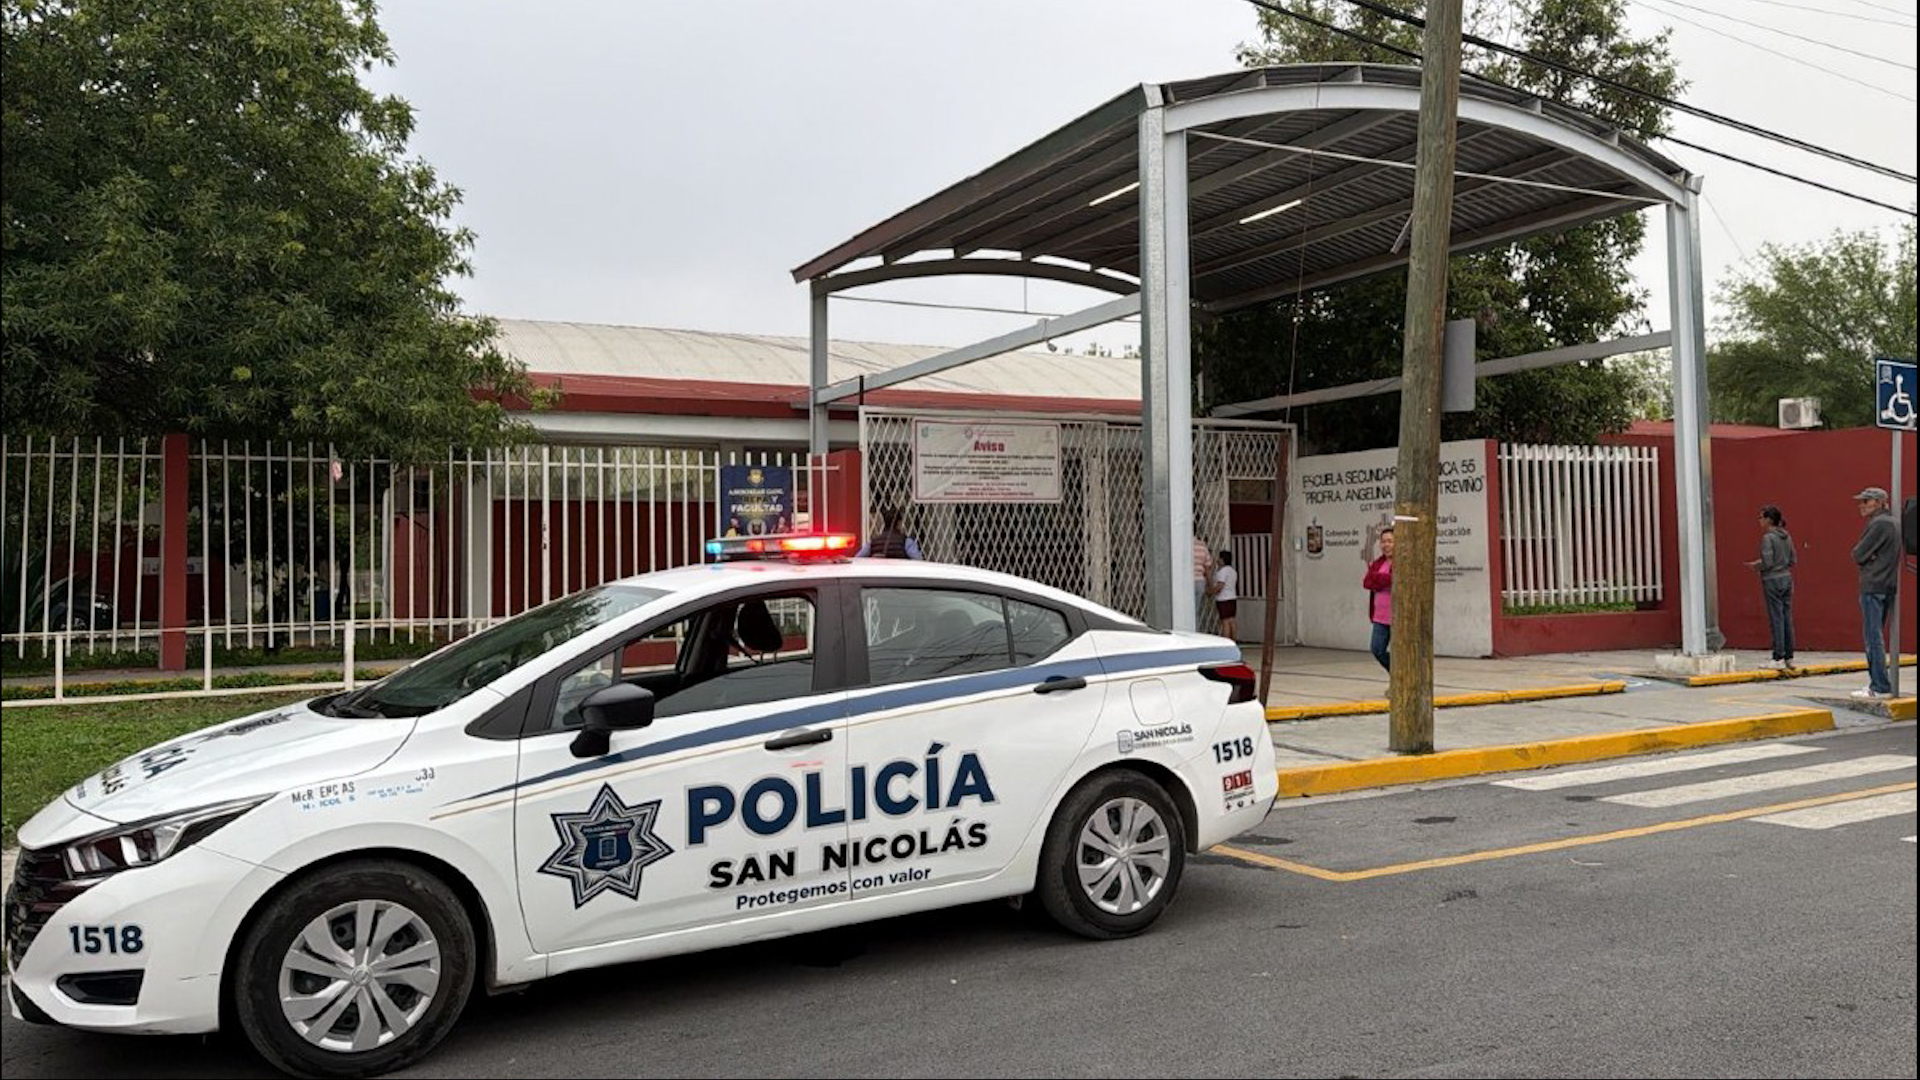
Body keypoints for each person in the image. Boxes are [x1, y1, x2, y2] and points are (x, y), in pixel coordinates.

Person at [1850, 486, 1900, 699]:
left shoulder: (1878, 523)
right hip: (1887, 584)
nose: (1861, 505)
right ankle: (1879, 683)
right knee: (1876, 634)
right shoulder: (1894, 522)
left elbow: (1858, 553)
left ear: (1880, 502)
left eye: (1866, 501)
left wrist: (1867, 558)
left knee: (1873, 636)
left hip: (1873, 585)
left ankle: (1879, 685)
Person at [1745, 504, 1796, 669]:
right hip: (1787, 577)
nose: (1759, 521)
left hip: (1772, 580)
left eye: (1761, 517)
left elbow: (1768, 561)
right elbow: (1793, 559)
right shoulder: (1786, 536)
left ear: (1768, 519)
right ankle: (1789, 656)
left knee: (1776, 617)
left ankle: (1778, 656)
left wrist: (1757, 566)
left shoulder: (1768, 538)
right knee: (1786, 616)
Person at [1361, 524, 1394, 672]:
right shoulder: (1378, 563)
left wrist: (1379, 580)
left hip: (1398, 617)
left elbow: (1397, 580)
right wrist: (1385, 579)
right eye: (1383, 541)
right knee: (1377, 649)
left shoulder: (1404, 562)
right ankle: (1396, 673)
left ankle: (1401, 678)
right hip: (1380, 617)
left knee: (1401, 651)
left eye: (1390, 541)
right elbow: (1367, 582)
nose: (1386, 545)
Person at [855, 504, 922, 559]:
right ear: (899, 523)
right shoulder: (906, 541)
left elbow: (858, 558)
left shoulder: (873, 542)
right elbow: (917, 558)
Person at [1209, 549, 1239, 641]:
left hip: (1223, 599)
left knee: (1225, 622)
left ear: (1222, 559)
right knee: (1232, 620)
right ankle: (1234, 640)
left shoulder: (1223, 571)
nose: (1217, 560)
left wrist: (1211, 592)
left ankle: (1226, 642)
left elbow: (1220, 586)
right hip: (1232, 598)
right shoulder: (1233, 571)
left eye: (1219, 558)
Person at [1191, 536, 1213, 623]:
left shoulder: (1182, 545)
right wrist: (1210, 583)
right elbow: (1207, 567)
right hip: (1200, 581)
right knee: (1195, 610)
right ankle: (1195, 632)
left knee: (1184, 610)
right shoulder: (1202, 546)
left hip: (1186, 583)